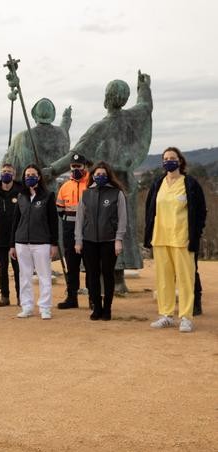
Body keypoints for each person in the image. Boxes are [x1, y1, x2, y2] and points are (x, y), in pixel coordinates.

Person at [47, 72, 152, 289]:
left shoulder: (100, 128)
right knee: (123, 229)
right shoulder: (134, 117)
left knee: (105, 231)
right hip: (126, 184)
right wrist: (144, 87)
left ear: (107, 98)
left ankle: (108, 280)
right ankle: (119, 279)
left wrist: (51, 170)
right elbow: (145, 106)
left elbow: (75, 155)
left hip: (105, 186)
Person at [144, 147, 206, 332]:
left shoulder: (190, 184)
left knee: (186, 279)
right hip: (161, 238)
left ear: (180, 161)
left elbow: (201, 212)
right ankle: (166, 315)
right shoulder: (158, 184)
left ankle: (186, 317)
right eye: (165, 158)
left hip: (182, 239)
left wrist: (195, 235)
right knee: (164, 279)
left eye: (172, 158)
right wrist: (148, 234)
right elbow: (150, 210)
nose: (168, 161)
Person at [74, 162, 127, 321]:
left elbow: (122, 218)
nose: (100, 177)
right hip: (89, 240)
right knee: (92, 275)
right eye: (97, 174)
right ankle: (96, 307)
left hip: (109, 240)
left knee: (108, 274)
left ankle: (107, 309)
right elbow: (79, 219)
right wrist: (78, 240)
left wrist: (118, 240)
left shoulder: (116, 193)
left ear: (108, 175)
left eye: (103, 174)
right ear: (92, 176)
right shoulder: (86, 194)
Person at [10, 164, 59, 320]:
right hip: (22, 242)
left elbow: (53, 221)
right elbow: (15, 221)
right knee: (24, 276)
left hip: (42, 242)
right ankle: (27, 306)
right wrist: (12, 244)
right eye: (27, 175)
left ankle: (45, 307)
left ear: (38, 177)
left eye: (33, 175)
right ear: (24, 178)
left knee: (44, 276)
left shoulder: (48, 196)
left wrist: (54, 243)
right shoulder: (21, 196)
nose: (29, 177)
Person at [2, 97, 72, 185]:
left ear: (35, 116)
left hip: (29, 187)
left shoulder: (23, 136)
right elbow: (63, 130)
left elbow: (8, 163)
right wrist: (66, 118)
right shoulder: (61, 134)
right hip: (51, 188)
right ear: (52, 115)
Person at [55, 153, 91, 309]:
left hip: (88, 230)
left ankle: (93, 298)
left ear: (85, 167)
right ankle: (72, 298)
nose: (76, 169)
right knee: (72, 265)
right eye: (73, 166)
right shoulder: (64, 186)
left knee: (90, 266)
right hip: (69, 230)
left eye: (79, 166)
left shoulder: (91, 184)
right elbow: (59, 209)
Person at [0, 163, 23, 306]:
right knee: (2, 268)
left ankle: (21, 297)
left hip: (17, 236)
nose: (6, 174)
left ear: (14, 175)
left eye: (9, 172)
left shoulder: (21, 191)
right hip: (0, 236)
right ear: (0, 174)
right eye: (4, 172)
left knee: (18, 269)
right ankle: (5, 296)